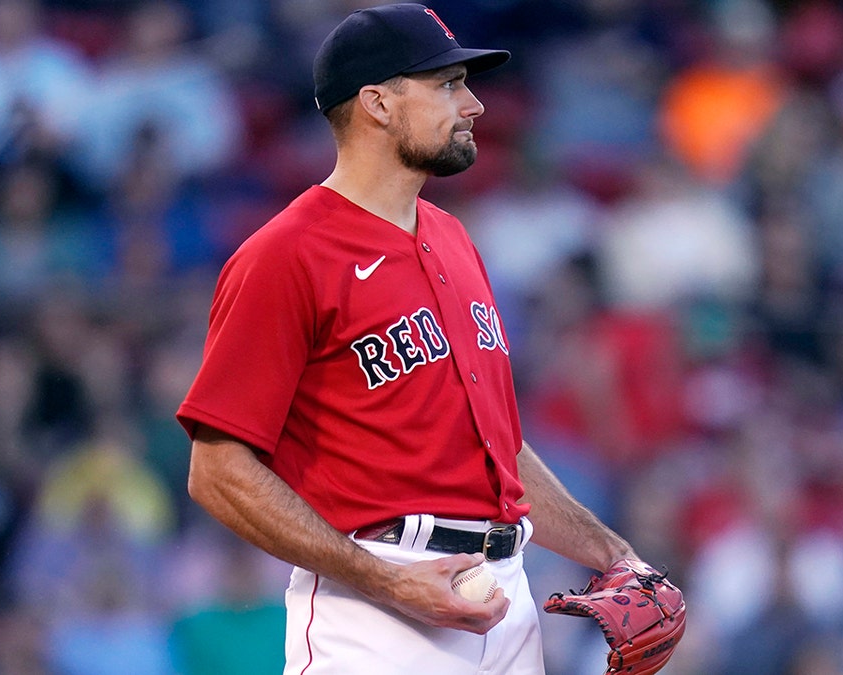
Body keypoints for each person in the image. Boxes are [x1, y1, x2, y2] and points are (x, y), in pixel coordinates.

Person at [176, 4, 657, 673]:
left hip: (505, 590)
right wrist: (384, 579)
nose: (475, 105)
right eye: (447, 84)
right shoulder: (285, 255)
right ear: (377, 103)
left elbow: (498, 452)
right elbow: (217, 472)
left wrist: (614, 555)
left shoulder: (455, 238)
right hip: (377, 605)